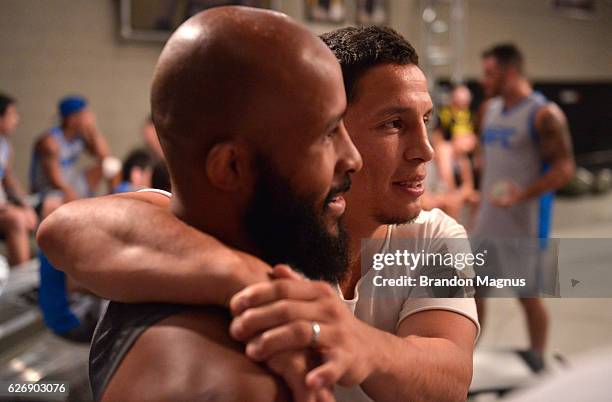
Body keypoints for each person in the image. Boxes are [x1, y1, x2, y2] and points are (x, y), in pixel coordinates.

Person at [39, 19, 479, 402]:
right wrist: (251, 281)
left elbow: (450, 379)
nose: (425, 151)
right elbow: (66, 227)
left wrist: (360, 345)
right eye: (392, 124)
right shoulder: (267, 221)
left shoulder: (438, 236)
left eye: (426, 120)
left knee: (538, 271)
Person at [472, 44, 575, 364]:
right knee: (474, 289)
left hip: (525, 223)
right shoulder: (488, 109)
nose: (484, 79)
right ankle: (465, 355)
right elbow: (485, 156)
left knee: (528, 297)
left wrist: (523, 193)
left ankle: (537, 360)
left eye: (490, 73)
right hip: (488, 219)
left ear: (512, 72)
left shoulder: (544, 114)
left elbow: (564, 169)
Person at [30, 95, 110, 218]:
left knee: (111, 166)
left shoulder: (79, 136)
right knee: (68, 204)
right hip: (50, 191)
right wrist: (77, 200)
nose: (90, 117)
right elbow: (55, 180)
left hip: (71, 184)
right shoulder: (50, 142)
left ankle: (112, 205)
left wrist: (92, 129)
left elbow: (104, 156)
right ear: (72, 119)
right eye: (85, 114)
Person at [0, 93, 37, 266]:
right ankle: (22, 279)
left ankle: (41, 270)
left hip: (4, 206)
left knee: (39, 212)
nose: (16, 119)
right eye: (12, 114)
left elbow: (9, 180)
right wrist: (11, 208)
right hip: (3, 209)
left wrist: (25, 205)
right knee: (16, 219)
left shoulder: (5, 146)